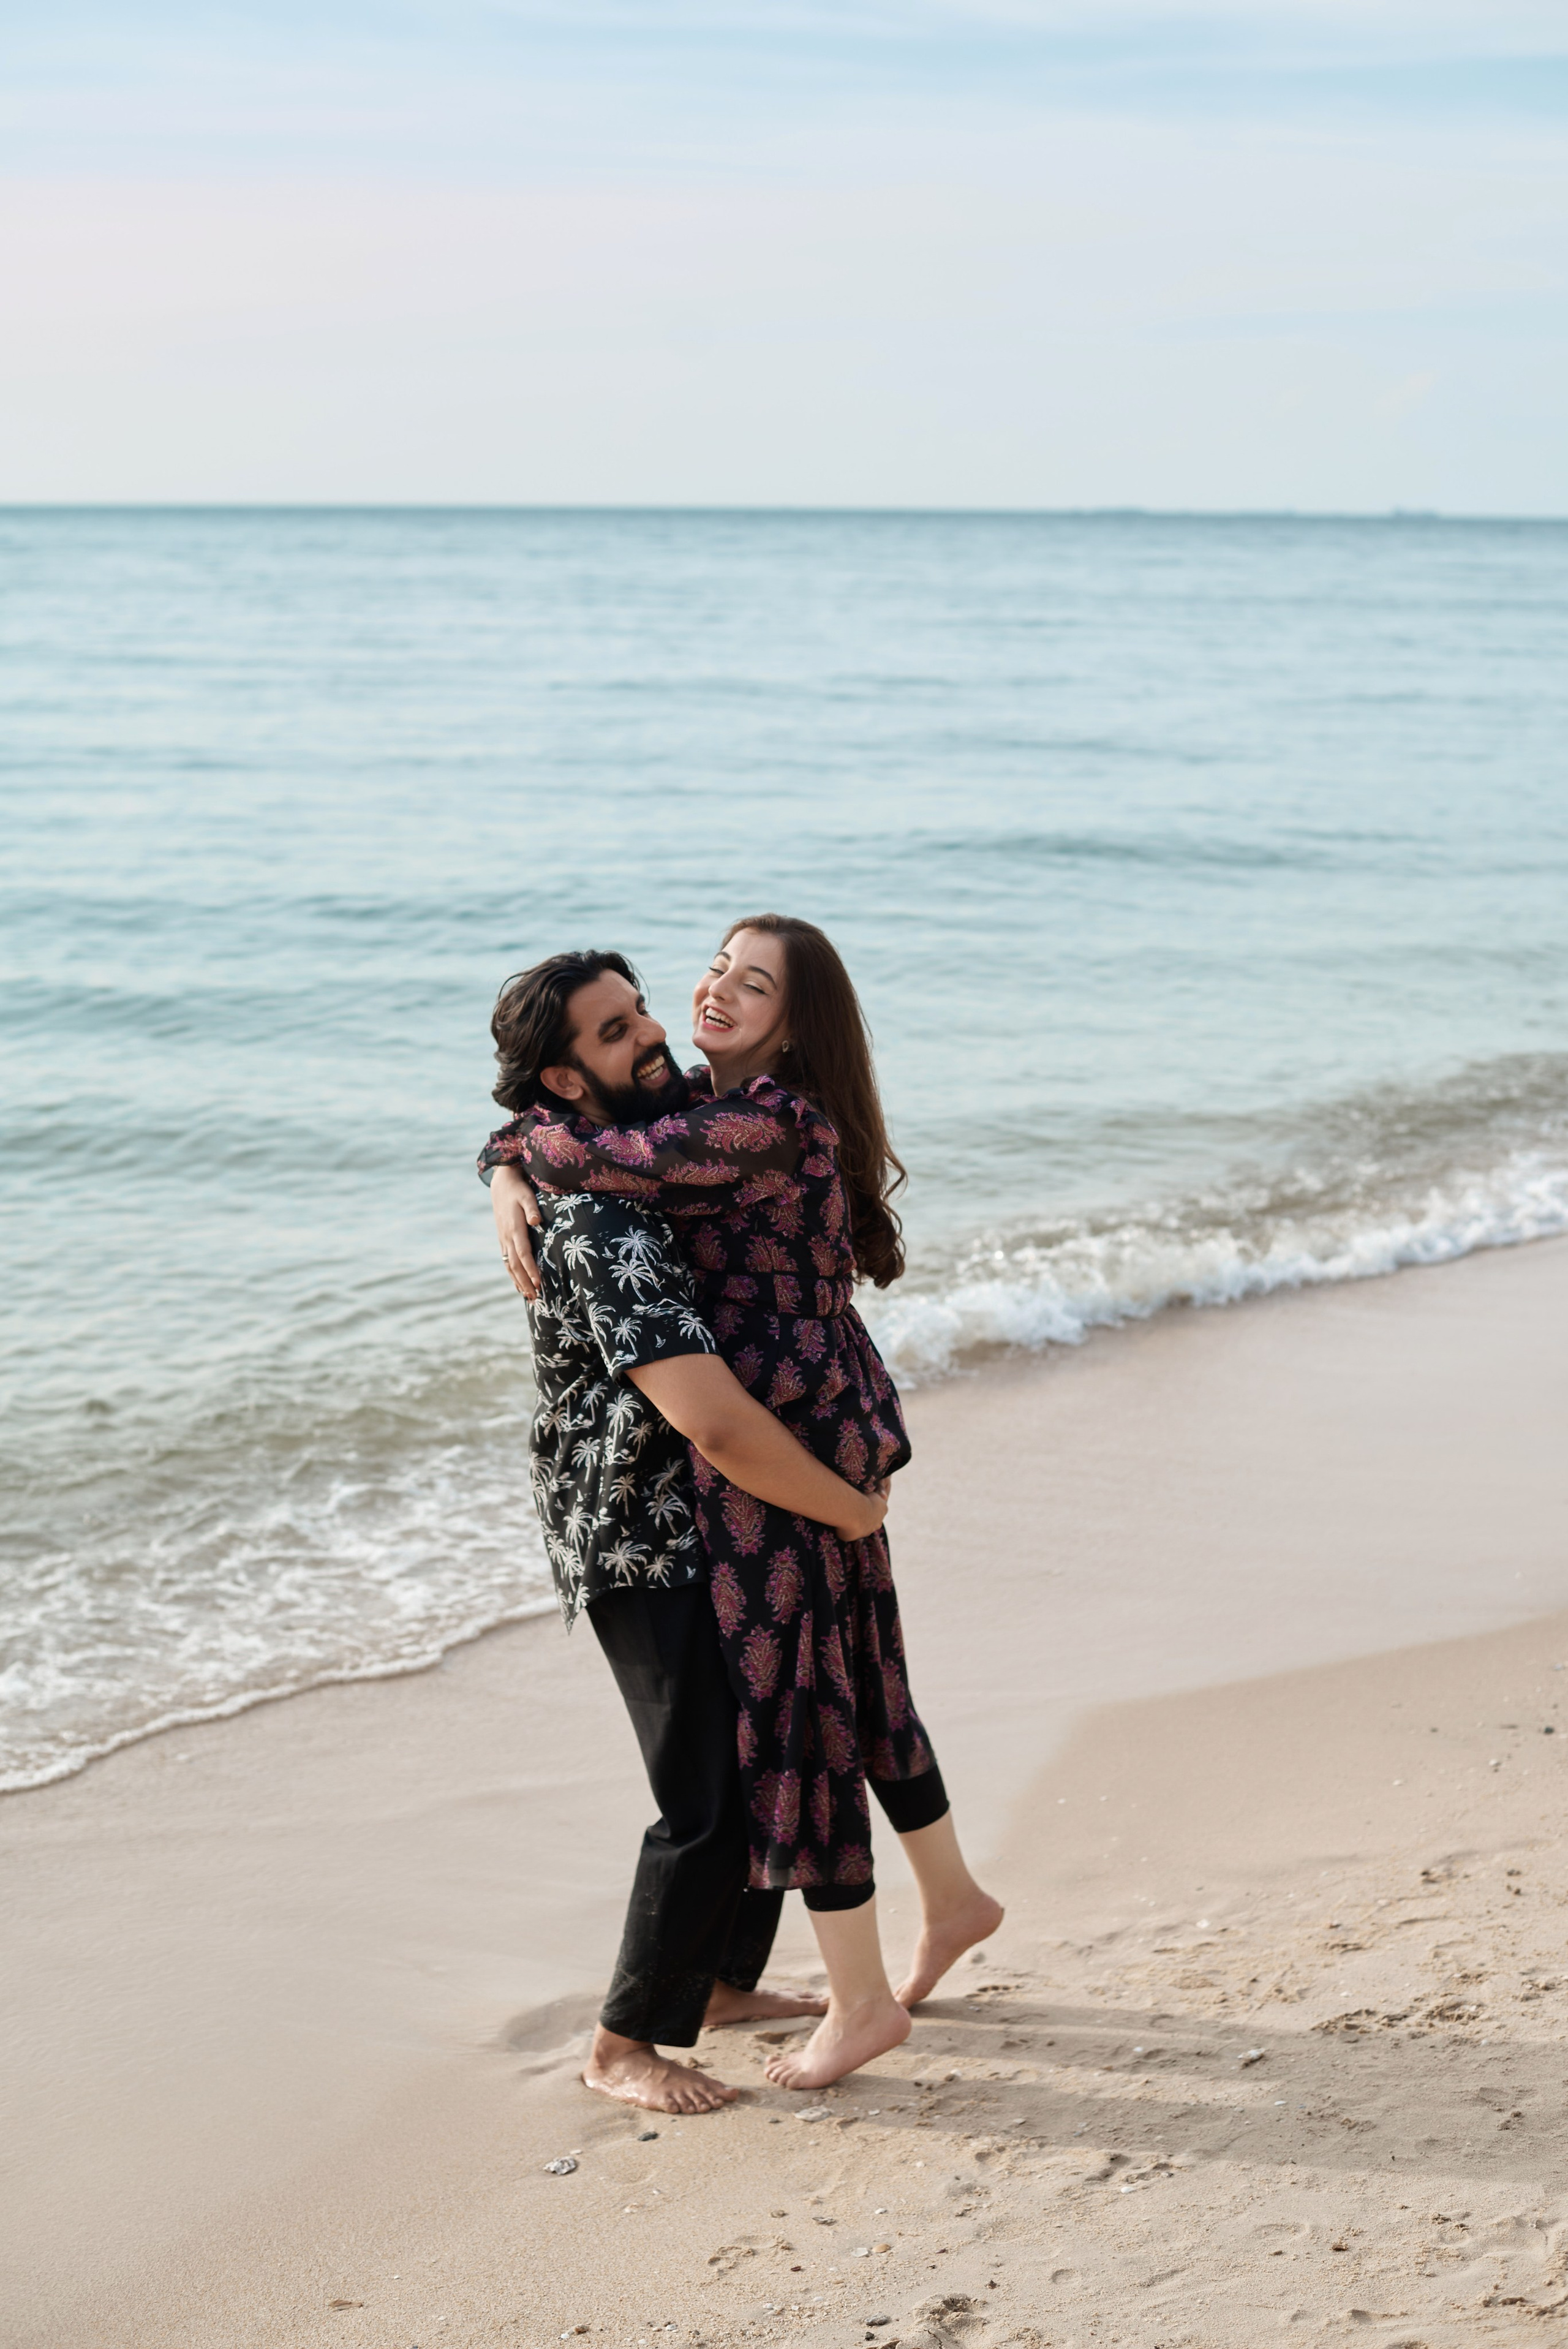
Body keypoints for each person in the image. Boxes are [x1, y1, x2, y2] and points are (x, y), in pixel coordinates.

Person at [484, 916, 1002, 2092]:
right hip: (647, 1516)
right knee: (729, 1783)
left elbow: (587, 1148)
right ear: (570, 1075)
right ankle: (625, 2044)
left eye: (653, 1001)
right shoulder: (619, 1195)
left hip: (756, 1476)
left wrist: (507, 1158)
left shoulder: (703, 1134)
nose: (671, 1018)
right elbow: (705, 1413)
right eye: (622, 1028)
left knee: (792, 1724)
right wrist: (510, 1164)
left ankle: (722, 1984)